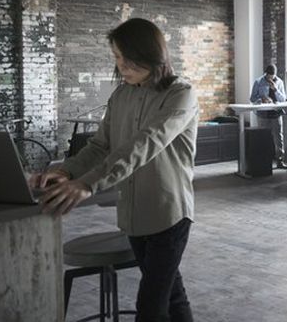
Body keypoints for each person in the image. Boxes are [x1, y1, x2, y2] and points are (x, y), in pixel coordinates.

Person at [30, 18, 198, 322]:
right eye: (117, 57)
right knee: (170, 293)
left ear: (149, 54)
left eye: (124, 57)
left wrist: (88, 183)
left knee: (151, 306)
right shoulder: (121, 95)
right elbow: (100, 146)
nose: (120, 65)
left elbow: (145, 144)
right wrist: (68, 172)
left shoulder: (180, 94)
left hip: (169, 214)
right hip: (133, 215)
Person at [250, 64, 287, 168]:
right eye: (269, 76)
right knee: (263, 137)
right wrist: (262, 99)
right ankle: (264, 161)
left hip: (276, 113)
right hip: (263, 114)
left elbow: (283, 99)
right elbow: (252, 98)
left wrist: (275, 89)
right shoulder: (258, 82)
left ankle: (280, 161)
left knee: (279, 137)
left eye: (273, 76)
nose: (271, 78)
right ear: (266, 74)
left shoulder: (279, 82)